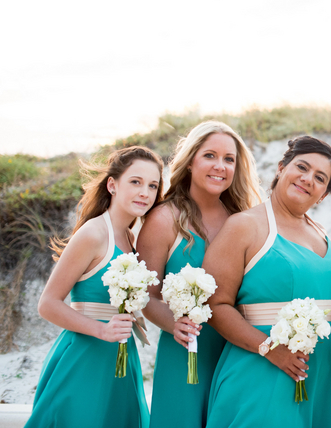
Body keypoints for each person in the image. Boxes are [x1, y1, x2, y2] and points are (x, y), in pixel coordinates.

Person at [203, 136, 331, 428]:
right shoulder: (244, 226)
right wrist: (270, 348)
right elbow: (215, 304)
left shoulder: (323, 233)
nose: (308, 179)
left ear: (323, 195)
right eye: (302, 167)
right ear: (281, 168)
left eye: (320, 178)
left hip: (323, 379)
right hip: (263, 372)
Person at [26, 146, 164, 428]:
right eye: (135, 182)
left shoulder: (129, 237)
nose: (145, 193)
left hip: (121, 360)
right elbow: (48, 304)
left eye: (153, 186)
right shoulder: (93, 233)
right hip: (85, 359)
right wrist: (102, 329)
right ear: (112, 185)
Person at [137, 121, 262, 428]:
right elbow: (146, 295)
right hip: (185, 353)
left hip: (236, 353)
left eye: (229, 159)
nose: (220, 166)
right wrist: (174, 324)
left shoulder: (244, 221)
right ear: (191, 161)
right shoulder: (163, 219)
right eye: (210, 155)